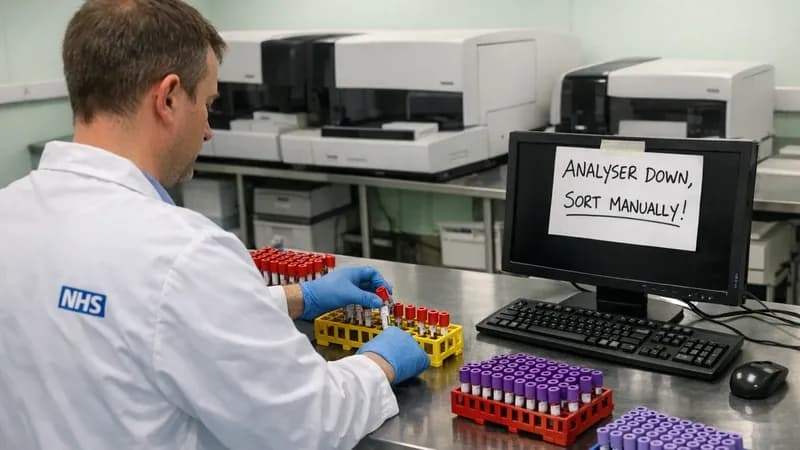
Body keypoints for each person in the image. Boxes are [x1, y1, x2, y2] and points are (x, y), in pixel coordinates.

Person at [0, 1, 430, 449]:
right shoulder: (185, 255)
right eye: (207, 104)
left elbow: (124, 316)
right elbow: (307, 424)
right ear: (167, 99)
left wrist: (296, 297)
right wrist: (379, 362)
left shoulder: (9, 211)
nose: (208, 130)